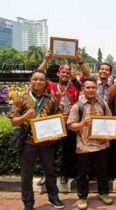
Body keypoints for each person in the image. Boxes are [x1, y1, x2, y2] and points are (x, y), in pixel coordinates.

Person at [7, 70, 64, 210]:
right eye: (35, 79)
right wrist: (24, 117)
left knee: (50, 170)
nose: (38, 82)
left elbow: (59, 118)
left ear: (45, 83)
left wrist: (58, 133)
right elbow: (14, 122)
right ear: (30, 80)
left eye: (41, 80)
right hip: (28, 142)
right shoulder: (21, 98)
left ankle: (53, 197)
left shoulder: (51, 99)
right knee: (27, 174)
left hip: (47, 142)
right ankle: (28, 202)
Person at [38, 49, 90, 184]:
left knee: (68, 152)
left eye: (68, 72)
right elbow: (38, 74)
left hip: (69, 124)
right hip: (53, 124)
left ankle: (65, 174)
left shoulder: (75, 86)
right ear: (58, 73)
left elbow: (87, 75)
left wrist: (80, 60)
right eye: (63, 72)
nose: (65, 74)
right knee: (50, 151)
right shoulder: (50, 85)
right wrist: (46, 59)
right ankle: (47, 174)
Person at [67, 77, 113, 210]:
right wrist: (82, 123)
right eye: (88, 87)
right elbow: (71, 126)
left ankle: (103, 193)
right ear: (82, 89)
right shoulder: (78, 106)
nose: (91, 90)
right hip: (84, 145)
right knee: (82, 173)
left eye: (93, 87)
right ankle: (82, 197)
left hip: (101, 144)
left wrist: (109, 133)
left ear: (96, 88)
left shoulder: (103, 104)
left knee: (102, 171)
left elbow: (110, 121)